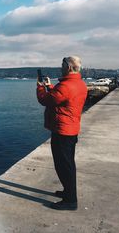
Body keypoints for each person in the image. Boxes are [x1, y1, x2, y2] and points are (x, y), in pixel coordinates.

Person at [37, 56, 87, 210]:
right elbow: (60, 97)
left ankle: (71, 201)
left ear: (69, 67)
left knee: (63, 165)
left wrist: (40, 87)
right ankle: (68, 192)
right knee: (68, 164)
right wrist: (51, 86)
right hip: (71, 129)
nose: (61, 67)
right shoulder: (78, 83)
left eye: (62, 64)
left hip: (62, 131)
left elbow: (46, 100)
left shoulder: (65, 86)